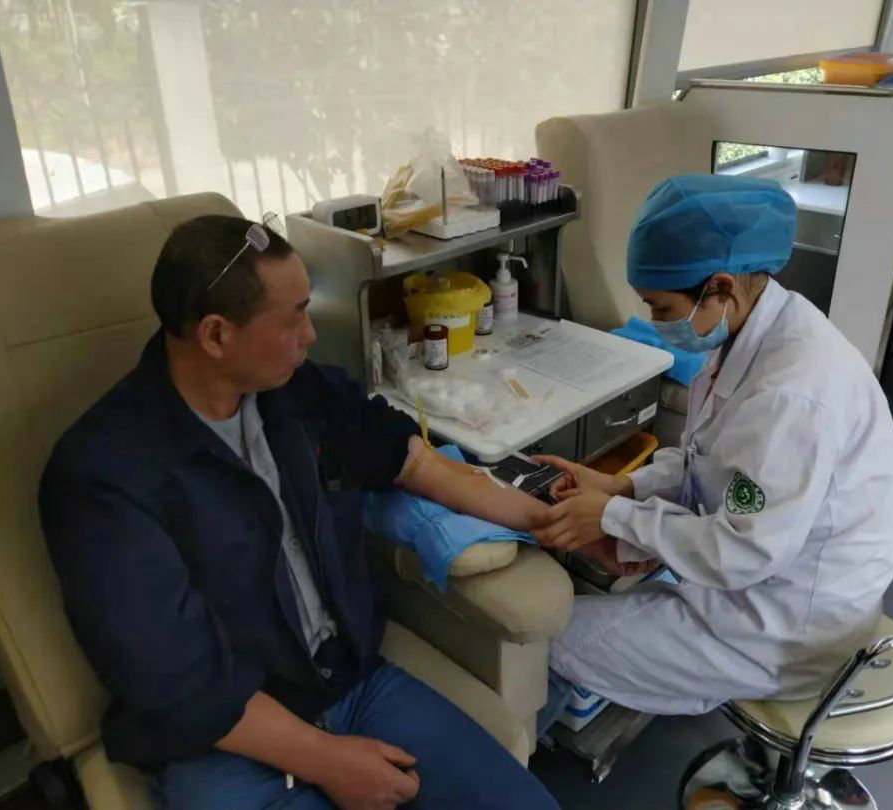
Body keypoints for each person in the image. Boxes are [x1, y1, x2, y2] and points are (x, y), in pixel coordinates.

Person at [39, 215, 559, 810]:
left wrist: (543, 518)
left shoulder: (293, 390)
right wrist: (327, 760)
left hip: (348, 682)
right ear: (216, 335)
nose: (310, 334)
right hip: (222, 739)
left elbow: (409, 458)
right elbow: (179, 680)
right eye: (294, 318)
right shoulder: (102, 476)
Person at [532, 174, 893, 718]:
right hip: (775, 578)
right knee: (607, 596)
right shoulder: (758, 327)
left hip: (789, 629)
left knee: (542, 641)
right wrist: (623, 486)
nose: (657, 324)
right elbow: (710, 459)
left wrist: (613, 516)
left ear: (721, 288)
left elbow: (744, 552)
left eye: (661, 310)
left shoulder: (792, 393)